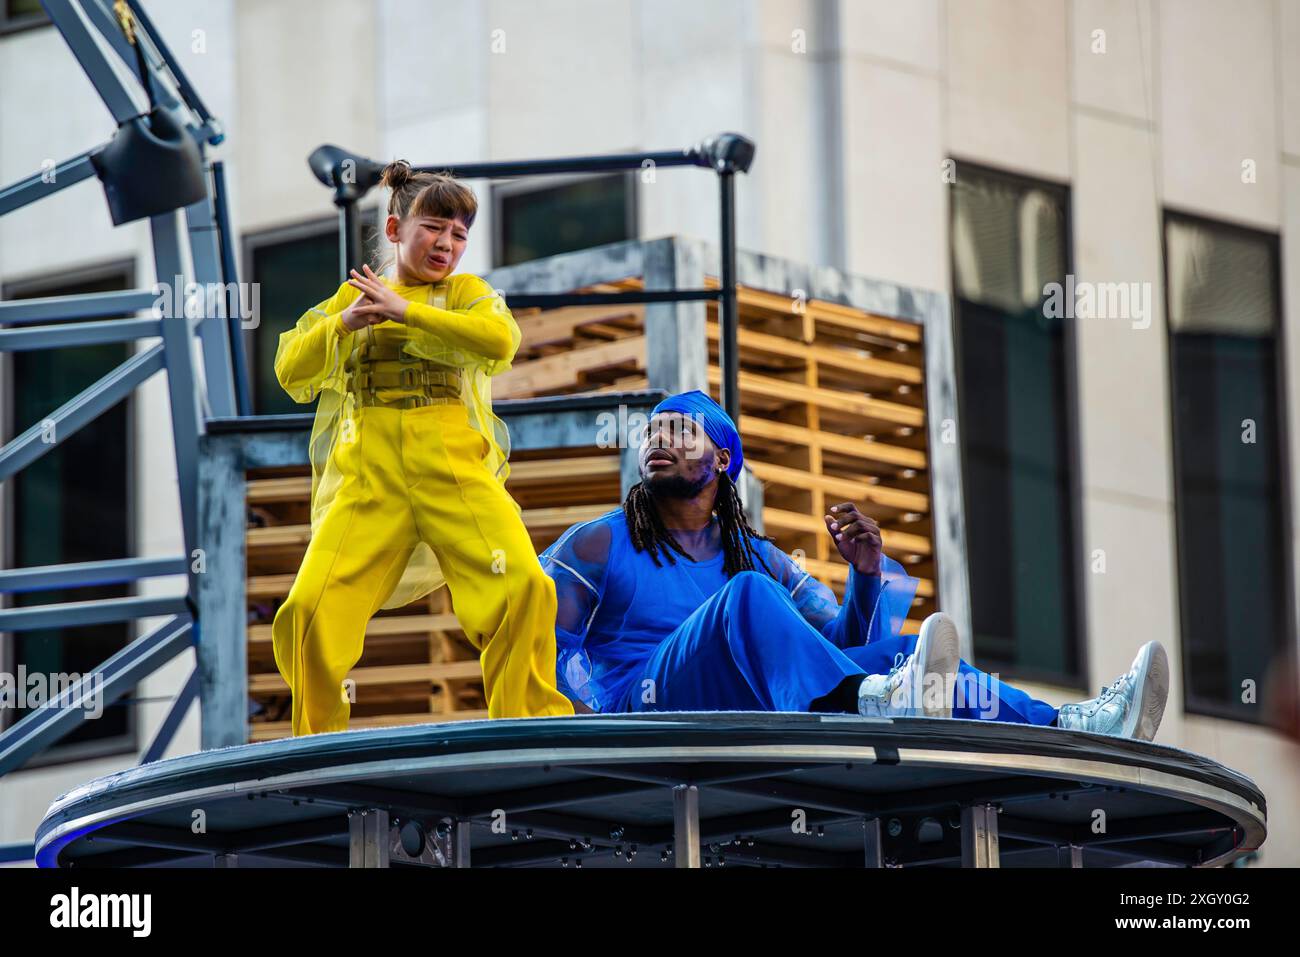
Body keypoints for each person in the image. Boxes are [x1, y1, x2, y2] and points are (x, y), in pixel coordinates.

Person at [539, 389, 1169, 740]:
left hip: (744, 710)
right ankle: (871, 705)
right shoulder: (597, 542)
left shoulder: (760, 558)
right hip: (643, 713)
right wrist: (594, 727)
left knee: (898, 657)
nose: (658, 440)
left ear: (723, 460)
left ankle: (1075, 723)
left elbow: (844, 649)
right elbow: (547, 643)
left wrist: (866, 575)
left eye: (681, 432)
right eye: (652, 432)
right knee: (751, 598)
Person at [270, 160, 574, 735]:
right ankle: (318, 745)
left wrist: (406, 311)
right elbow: (289, 366)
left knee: (526, 586)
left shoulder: (466, 294)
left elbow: (501, 340)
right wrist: (345, 325)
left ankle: (526, 732)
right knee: (306, 613)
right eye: (434, 226)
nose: (448, 243)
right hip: (367, 483)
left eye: (459, 233)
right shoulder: (351, 297)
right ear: (395, 230)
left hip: (453, 472)